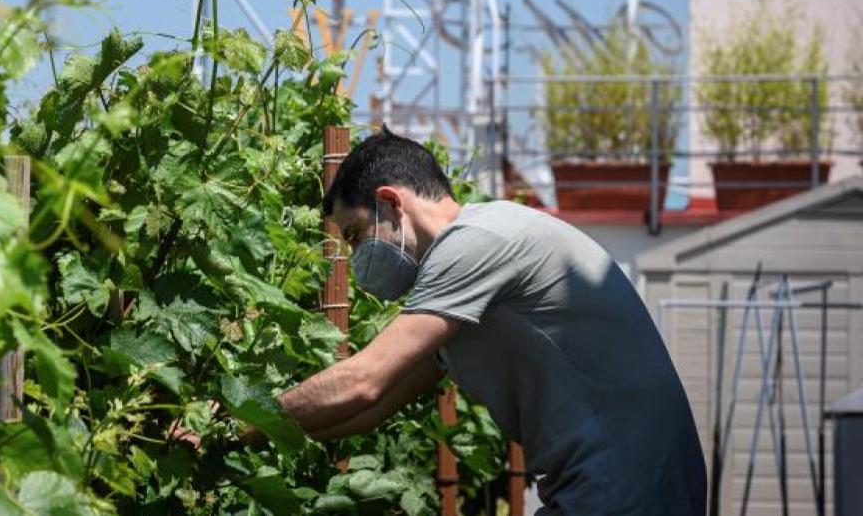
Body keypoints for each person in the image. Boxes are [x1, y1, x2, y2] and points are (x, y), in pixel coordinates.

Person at [259, 127, 705, 515]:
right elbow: (375, 406)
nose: (357, 259)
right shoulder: (465, 279)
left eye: (355, 235)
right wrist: (252, 437)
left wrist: (237, 421)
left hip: (621, 487)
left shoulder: (472, 243)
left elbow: (363, 381)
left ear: (391, 203)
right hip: (632, 482)